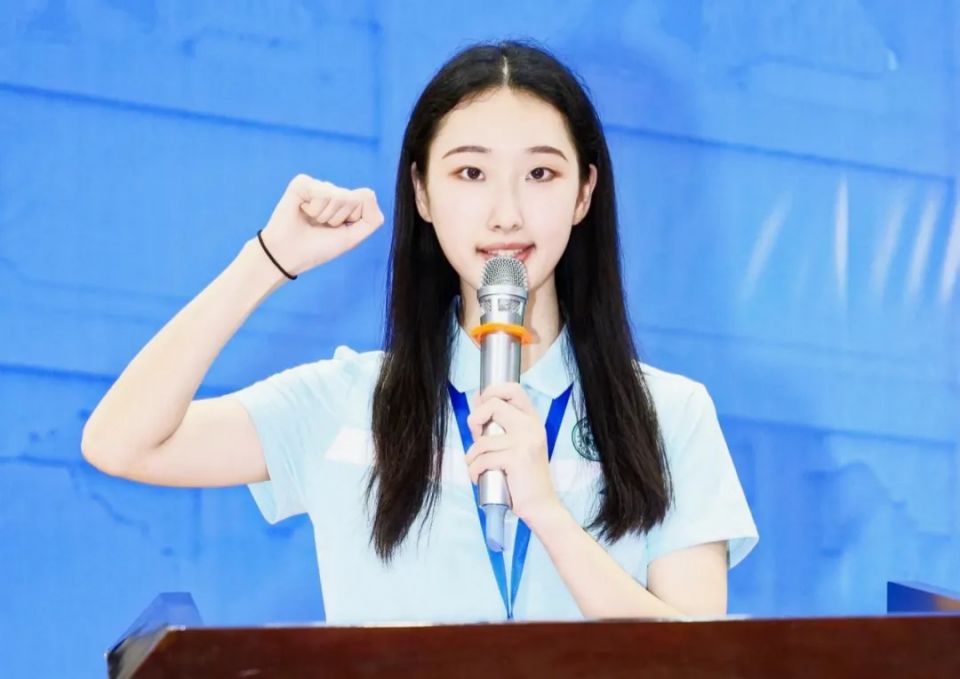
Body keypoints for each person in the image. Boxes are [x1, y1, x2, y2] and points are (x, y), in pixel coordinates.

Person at [82, 40, 758, 624]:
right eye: (470, 172)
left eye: (540, 173)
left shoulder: (669, 415)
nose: (506, 212)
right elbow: (121, 443)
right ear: (423, 192)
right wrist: (266, 260)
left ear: (584, 193)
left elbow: (699, 660)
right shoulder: (345, 402)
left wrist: (548, 512)